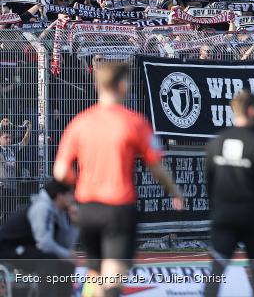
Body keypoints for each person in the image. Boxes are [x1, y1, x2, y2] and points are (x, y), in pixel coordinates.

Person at [53, 58, 184, 297]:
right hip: (118, 207)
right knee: (114, 275)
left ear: (97, 86)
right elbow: (156, 165)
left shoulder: (79, 123)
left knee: (98, 271)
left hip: (87, 208)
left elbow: (60, 171)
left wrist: (75, 193)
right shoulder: (134, 122)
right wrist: (174, 191)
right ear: (123, 85)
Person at [204, 90, 254, 297]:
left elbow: (209, 181)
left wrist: (218, 206)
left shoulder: (215, 143)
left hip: (224, 213)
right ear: (252, 111)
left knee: (216, 271)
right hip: (251, 214)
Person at [0, 180, 78, 297]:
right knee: (49, 259)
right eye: (69, 195)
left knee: (65, 262)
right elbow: (44, 243)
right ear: (60, 195)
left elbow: (65, 244)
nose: (72, 198)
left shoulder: (57, 211)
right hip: (8, 250)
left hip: (28, 248)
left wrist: (75, 222)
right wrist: (66, 254)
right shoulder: (42, 208)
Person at [0, 118, 31, 219]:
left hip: (12, 186)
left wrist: (28, 130)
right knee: (3, 214)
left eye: (10, 138)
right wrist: (1, 125)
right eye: (6, 137)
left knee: (11, 214)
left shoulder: (12, 148)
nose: (9, 140)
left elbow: (24, 142)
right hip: (2, 187)